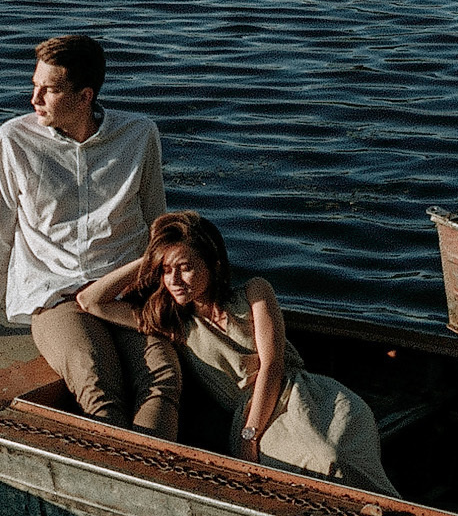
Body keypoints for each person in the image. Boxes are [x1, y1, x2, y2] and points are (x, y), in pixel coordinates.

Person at [0, 34, 180, 438]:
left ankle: (158, 478)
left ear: (85, 96)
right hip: (56, 296)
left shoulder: (139, 135)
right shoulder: (14, 140)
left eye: (49, 90)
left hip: (125, 291)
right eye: (35, 86)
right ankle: (124, 480)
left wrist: (169, 297)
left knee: (164, 378)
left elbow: (158, 226)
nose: (35, 99)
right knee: (98, 382)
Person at [78, 211, 398, 495]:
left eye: (185, 267)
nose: (173, 280)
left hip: (304, 396)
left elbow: (271, 365)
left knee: (339, 450)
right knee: (321, 459)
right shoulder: (177, 325)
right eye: (166, 271)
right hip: (258, 419)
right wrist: (150, 258)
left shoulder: (254, 292)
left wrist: (249, 433)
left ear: (212, 264)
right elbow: (91, 301)